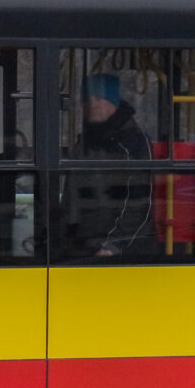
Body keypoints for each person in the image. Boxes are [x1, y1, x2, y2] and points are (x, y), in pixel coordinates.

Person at [66, 73, 155, 257]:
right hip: (82, 245)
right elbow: (70, 197)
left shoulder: (132, 143)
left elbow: (139, 203)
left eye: (99, 97)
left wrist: (113, 245)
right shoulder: (85, 142)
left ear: (113, 101)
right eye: (86, 99)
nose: (92, 104)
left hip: (116, 253)